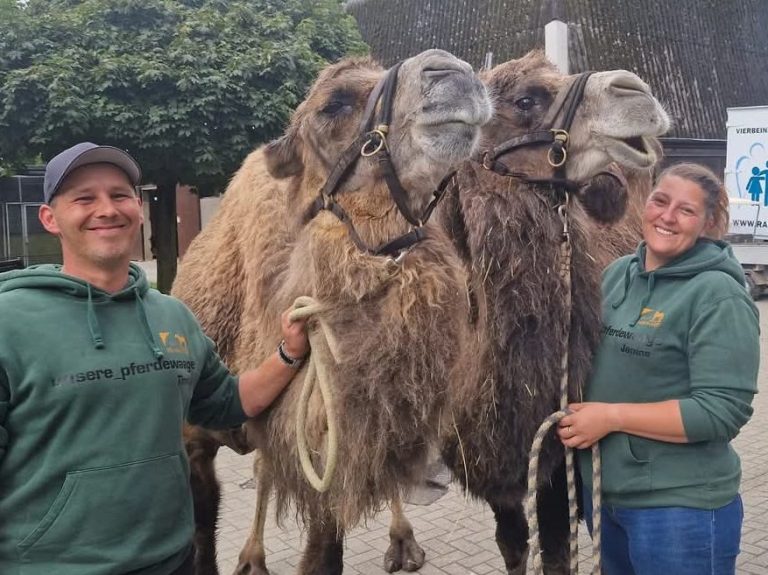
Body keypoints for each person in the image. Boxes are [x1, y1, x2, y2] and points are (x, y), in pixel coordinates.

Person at [0, 142, 310, 575]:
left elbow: (229, 401)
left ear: (138, 209)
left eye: (120, 195)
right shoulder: (8, 323)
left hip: (172, 558)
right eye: (84, 198)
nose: (106, 209)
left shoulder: (172, 316)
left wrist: (290, 353)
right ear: (50, 218)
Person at [557, 163, 759, 575]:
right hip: (610, 498)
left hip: (678, 508)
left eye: (686, 210)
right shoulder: (617, 275)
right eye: (660, 201)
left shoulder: (717, 295)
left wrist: (610, 417)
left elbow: (721, 411)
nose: (667, 217)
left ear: (709, 223)